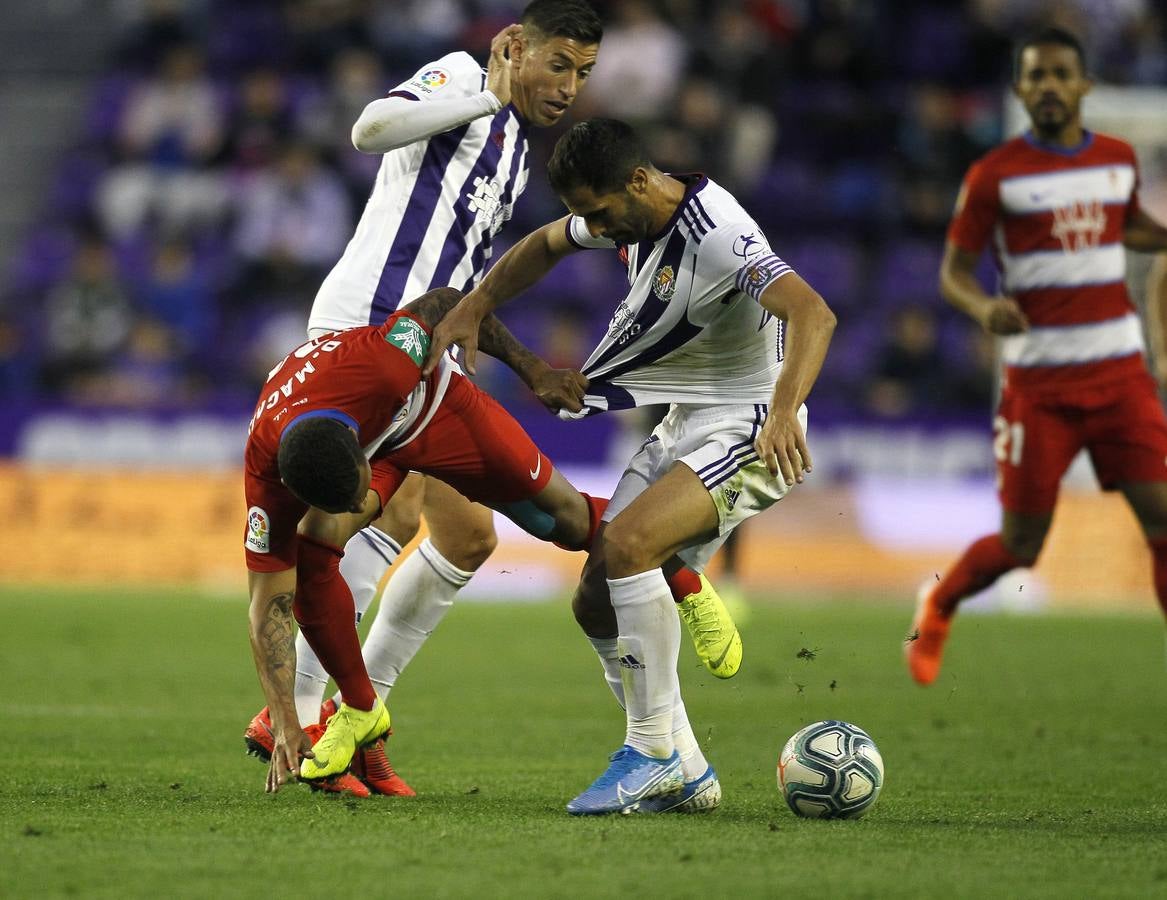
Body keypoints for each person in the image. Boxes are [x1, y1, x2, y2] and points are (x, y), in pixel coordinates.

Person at [243, 0, 742, 795]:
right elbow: (368, 129)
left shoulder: (515, 153)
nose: (568, 87)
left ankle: (347, 713)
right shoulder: (464, 79)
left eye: (582, 74)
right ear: (514, 46)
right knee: (346, 524)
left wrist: (523, 362)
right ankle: (307, 713)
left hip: (433, 347)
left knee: (459, 534)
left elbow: (464, 280)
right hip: (368, 336)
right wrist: (487, 92)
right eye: (557, 65)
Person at [427, 118, 837, 814]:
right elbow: (545, 243)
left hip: (751, 425)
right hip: (688, 420)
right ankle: (689, 770)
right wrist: (477, 302)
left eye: (597, 211)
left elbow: (813, 312)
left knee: (627, 546)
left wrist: (780, 409)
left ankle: (650, 752)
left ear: (639, 182)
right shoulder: (631, 215)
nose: (592, 226)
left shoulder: (717, 233)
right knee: (592, 597)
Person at [246, 286, 606, 794]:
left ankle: (674, 567)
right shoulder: (267, 483)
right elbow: (267, 605)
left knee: (534, 526)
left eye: (357, 493)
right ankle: (344, 711)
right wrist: (283, 716)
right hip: (363, 354)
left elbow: (444, 301)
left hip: (428, 400)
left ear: (359, 446)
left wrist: (533, 369)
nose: (357, 507)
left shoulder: (385, 364)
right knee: (318, 544)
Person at [905, 27, 1167, 687]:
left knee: (1161, 517)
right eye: (1035, 77)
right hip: (1039, 388)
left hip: (1119, 377)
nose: (1047, 87)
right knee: (1022, 545)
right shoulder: (994, 175)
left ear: (1083, 85)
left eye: (1059, 75)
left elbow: (1124, 222)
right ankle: (938, 603)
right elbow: (953, 273)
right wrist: (980, 308)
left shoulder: (1115, 159)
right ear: (1020, 90)